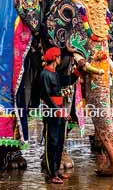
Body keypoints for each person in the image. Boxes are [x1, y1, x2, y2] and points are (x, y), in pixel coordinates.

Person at [40, 47, 73, 184]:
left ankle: (57, 171)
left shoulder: (56, 74)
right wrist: (58, 111)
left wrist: (77, 72)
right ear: (55, 58)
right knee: (51, 142)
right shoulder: (45, 74)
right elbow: (46, 96)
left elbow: (67, 80)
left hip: (59, 110)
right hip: (51, 111)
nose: (60, 59)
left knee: (59, 142)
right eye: (59, 57)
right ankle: (51, 174)